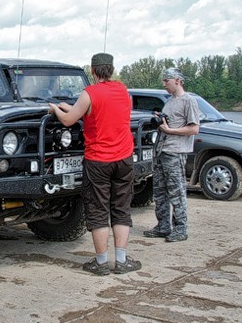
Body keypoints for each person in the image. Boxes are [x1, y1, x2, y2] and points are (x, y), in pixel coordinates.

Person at [49, 53, 141, 276]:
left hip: (98, 160)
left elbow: (70, 120)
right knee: (121, 208)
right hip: (124, 158)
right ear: (111, 69)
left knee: (98, 210)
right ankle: (121, 260)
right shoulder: (122, 90)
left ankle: (100, 263)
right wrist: (69, 107)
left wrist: (56, 109)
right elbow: (102, 112)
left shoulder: (89, 93)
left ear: (92, 71)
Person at [144, 67, 200, 242]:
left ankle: (181, 228)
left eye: (166, 81)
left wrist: (171, 130)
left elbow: (194, 128)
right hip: (162, 150)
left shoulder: (188, 101)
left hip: (176, 152)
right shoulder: (170, 101)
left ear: (177, 80)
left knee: (176, 191)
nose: (164, 84)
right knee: (159, 191)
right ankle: (163, 226)